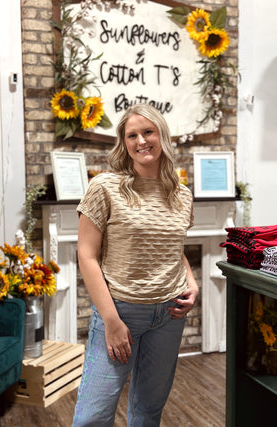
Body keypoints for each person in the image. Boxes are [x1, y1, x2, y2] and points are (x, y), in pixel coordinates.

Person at [72, 104, 199, 427]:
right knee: (92, 416)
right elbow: (86, 256)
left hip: (169, 315)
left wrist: (191, 280)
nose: (141, 140)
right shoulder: (105, 187)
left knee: (148, 412)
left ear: (162, 136)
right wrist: (111, 321)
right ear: (124, 143)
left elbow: (172, 247)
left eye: (148, 132)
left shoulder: (181, 195)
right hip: (120, 312)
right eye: (132, 135)